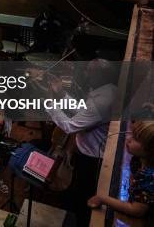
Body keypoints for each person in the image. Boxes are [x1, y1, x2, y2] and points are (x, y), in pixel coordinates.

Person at [46, 59, 118, 225]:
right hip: (87, 152)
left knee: (84, 197)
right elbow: (83, 112)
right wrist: (62, 94)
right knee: (78, 193)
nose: (85, 75)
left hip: (92, 158)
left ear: (100, 76)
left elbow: (70, 127)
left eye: (89, 72)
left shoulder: (102, 101)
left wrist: (49, 102)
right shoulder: (108, 90)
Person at [88, 121, 153, 221]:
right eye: (132, 135)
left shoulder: (148, 177)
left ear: (150, 150)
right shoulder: (139, 159)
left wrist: (103, 199)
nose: (128, 139)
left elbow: (136, 210)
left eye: (136, 139)